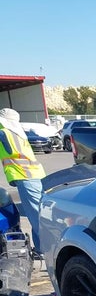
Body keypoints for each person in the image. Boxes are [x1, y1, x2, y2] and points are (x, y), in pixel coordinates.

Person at [0, 107, 47, 256]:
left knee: (37, 217)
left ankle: (46, 251)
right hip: (32, 176)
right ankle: (40, 249)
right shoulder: (18, 132)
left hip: (26, 177)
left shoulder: (4, 133)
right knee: (36, 215)